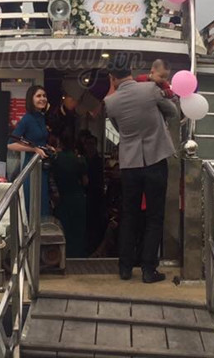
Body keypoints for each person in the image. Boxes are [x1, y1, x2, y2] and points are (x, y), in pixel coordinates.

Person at [103, 53, 177, 283]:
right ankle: (148, 269)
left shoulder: (110, 102)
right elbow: (173, 112)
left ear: (112, 78)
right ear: (131, 71)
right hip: (155, 159)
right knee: (155, 216)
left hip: (130, 164)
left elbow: (119, 129)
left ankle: (125, 268)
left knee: (129, 215)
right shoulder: (150, 89)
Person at [8, 85, 54, 216]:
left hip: (42, 168)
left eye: (44, 96)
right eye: (38, 96)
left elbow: (38, 140)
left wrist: (46, 147)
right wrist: (34, 149)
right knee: (33, 206)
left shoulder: (41, 117)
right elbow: (11, 145)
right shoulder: (27, 119)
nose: (42, 98)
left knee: (43, 206)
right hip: (31, 167)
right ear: (31, 99)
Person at [51, 129, 88, 257]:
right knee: (77, 230)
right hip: (77, 197)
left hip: (62, 198)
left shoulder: (55, 158)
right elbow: (85, 181)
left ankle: (63, 255)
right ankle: (77, 255)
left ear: (60, 142)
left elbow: (51, 178)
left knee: (63, 228)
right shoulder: (79, 160)